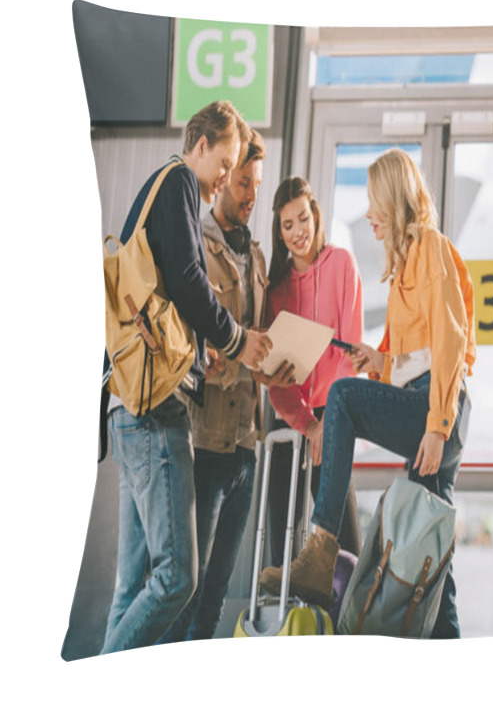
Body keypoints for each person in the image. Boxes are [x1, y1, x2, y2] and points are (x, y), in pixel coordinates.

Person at [260, 149, 475, 639]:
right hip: (426, 402)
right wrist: (378, 362)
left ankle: (321, 551)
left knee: (342, 400)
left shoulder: (431, 248)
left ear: (394, 200)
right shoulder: (403, 267)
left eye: (374, 203)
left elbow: (450, 343)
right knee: (428, 549)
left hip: (439, 411)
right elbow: (416, 357)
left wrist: (438, 427)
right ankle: (448, 646)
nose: (369, 215)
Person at [102, 101, 272, 654]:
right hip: (154, 410)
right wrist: (236, 340)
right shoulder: (177, 180)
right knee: (178, 577)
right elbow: (190, 282)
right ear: (200, 145)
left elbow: (171, 291)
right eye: (224, 164)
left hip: (127, 408)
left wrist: (201, 354)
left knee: (132, 587)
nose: (225, 178)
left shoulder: (167, 190)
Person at [157, 130, 294, 643]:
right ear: (224, 178)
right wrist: (242, 359)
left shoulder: (257, 258)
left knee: (212, 602)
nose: (251, 193)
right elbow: (198, 346)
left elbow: (250, 346)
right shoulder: (195, 241)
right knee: (180, 596)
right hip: (204, 444)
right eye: (242, 182)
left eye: (256, 183)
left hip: (244, 447)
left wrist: (271, 368)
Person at [264, 177, 363, 564]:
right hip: (292, 421)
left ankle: (350, 621)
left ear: (315, 216)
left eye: (302, 219)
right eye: (287, 226)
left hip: (335, 415)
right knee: (282, 548)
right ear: (279, 232)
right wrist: (308, 424)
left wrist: (327, 423)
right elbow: (277, 381)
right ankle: (289, 621)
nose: (297, 232)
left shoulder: (342, 264)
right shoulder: (276, 290)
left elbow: (350, 351)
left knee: (345, 546)